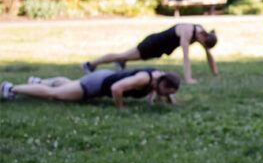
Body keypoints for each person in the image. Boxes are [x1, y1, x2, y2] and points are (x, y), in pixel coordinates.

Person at [81, 23, 218, 85]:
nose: (201, 45)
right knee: (122, 55)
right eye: (203, 44)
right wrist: (188, 79)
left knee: (125, 57)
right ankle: (90, 64)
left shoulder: (202, 34)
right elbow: (186, 57)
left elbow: (208, 54)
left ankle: (120, 63)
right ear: (203, 37)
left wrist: (215, 73)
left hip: (158, 50)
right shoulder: (187, 31)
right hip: (152, 44)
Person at [2, 69, 181, 108]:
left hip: (101, 76)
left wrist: (170, 100)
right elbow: (116, 89)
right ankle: (11, 89)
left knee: (70, 85)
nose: (166, 96)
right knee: (55, 95)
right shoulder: (144, 78)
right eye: (167, 93)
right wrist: (120, 107)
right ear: (162, 84)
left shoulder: (160, 77)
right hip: (97, 84)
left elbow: (164, 90)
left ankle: (38, 81)